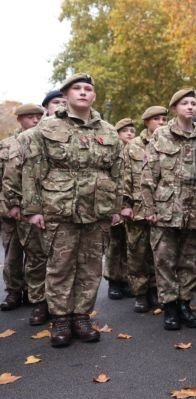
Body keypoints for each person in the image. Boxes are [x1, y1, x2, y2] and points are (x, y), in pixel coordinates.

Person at [21, 73, 123, 347]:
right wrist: (33, 208)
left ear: (94, 96)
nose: (83, 92)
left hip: (98, 209)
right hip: (59, 207)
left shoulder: (108, 131)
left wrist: (116, 207)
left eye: (88, 88)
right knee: (60, 266)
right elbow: (32, 170)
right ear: (65, 95)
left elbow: (117, 171)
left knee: (90, 267)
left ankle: (82, 316)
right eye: (76, 88)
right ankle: (61, 319)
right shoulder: (46, 128)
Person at [142, 89, 196, 330]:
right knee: (164, 258)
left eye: (193, 103)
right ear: (175, 108)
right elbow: (148, 174)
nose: (190, 107)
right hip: (165, 205)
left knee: (190, 259)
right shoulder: (161, 135)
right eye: (184, 103)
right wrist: (149, 207)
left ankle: (185, 303)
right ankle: (169, 306)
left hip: (194, 206)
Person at [0, 104, 47, 325]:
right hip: (9, 210)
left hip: (35, 207)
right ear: (19, 119)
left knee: (37, 254)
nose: (35, 120)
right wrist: (9, 204)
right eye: (30, 117)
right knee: (12, 253)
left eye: (38, 117)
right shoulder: (6, 145)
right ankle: (13, 291)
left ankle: (34, 293)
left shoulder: (44, 141)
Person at [122, 106, 167, 313]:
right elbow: (124, 175)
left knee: (160, 252)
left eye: (164, 119)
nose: (161, 122)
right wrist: (125, 204)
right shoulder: (133, 146)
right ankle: (140, 293)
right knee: (137, 253)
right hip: (138, 208)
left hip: (163, 207)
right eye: (157, 119)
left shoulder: (167, 142)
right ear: (147, 122)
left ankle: (156, 289)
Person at [103, 118, 135, 300]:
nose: (129, 133)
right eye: (125, 131)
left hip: (132, 204)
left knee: (130, 245)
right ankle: (114, 281)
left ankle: (126, 279)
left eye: (132, 130)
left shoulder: (136, 150)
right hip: (114, 203)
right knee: (115, 244)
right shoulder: (111, 151)